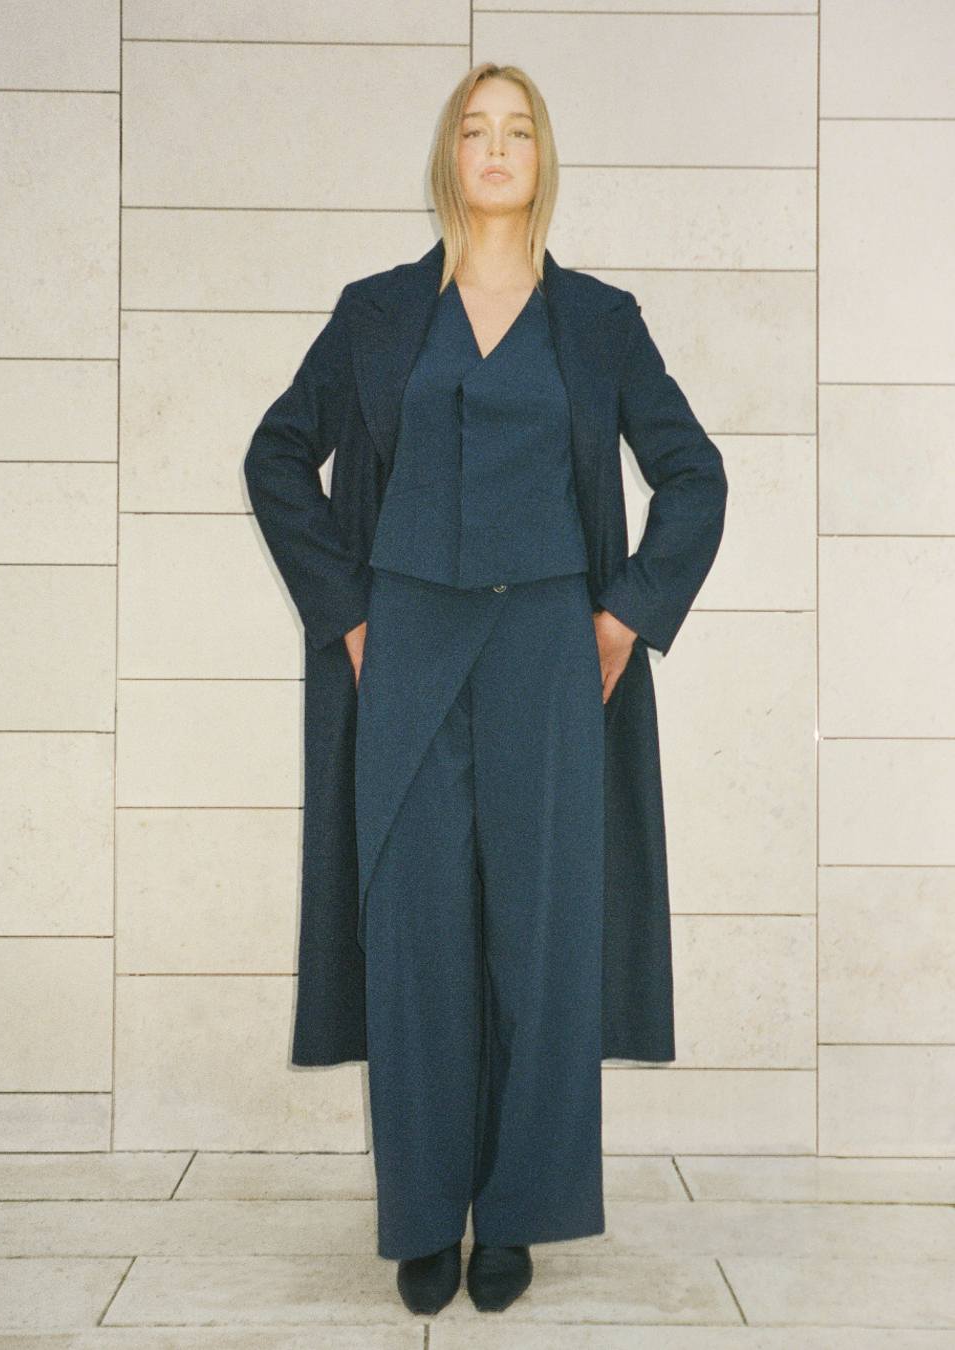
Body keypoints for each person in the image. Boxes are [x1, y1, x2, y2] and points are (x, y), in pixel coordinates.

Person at [244, 61, 728, 1318]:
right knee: (414, 932)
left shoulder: (600, 322)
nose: (497, 148)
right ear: (450, 157)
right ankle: (423, 1213)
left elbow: (694, 475)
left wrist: (623, 618)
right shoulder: (376, 314)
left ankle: (514, 1214)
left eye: (518, 131)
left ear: (542, 158)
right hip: (404, 641)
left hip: (548, 656)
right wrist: (349, 614)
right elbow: (276, 455)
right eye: (476, 130)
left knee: (542, 933)